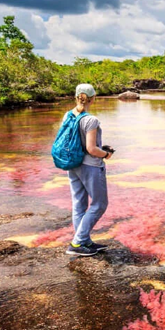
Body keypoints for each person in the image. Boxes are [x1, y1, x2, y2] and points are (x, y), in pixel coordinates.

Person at [65, 83, 114, 257]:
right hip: (90, 166)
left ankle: (84, 241)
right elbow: (92, 149)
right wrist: (106, 154)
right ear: (93, 98)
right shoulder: (91, 120)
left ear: (76, 97)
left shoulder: (68, 115)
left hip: (73, 164)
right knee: (100, 204)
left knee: (79, 204)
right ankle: (77, 242)